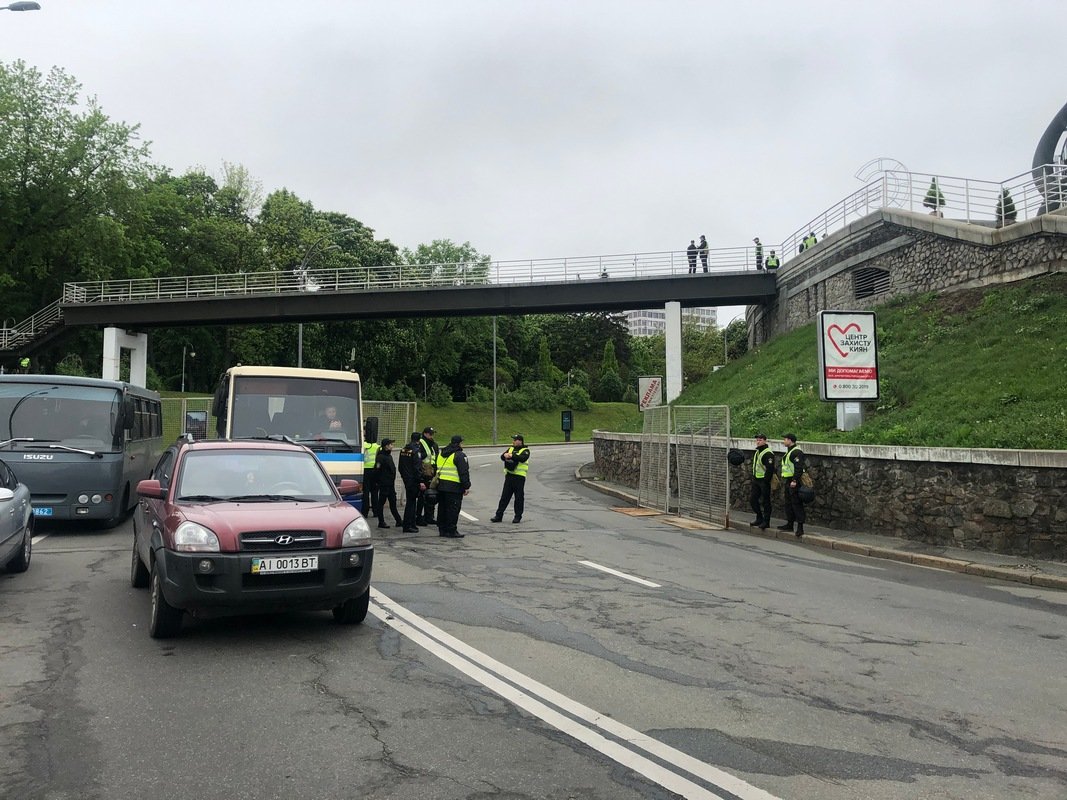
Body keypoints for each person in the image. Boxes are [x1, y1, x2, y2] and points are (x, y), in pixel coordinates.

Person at [435, 434, 471, 539]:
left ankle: (442, 529)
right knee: (453, 509)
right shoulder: (460, 455)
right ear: (459, 443)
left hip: (441, 485)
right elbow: (463, 472)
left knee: (442, 508)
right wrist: (466, 486)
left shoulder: (442, 453)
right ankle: (451, 530)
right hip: (454, 487)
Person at [490, 433, 530, 524]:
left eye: (515, 440)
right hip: (509, 476)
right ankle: (498, 515)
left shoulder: (525, 450)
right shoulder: (510, 448)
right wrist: (505, 456)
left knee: (518, 497)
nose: (513, 441)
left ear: (520, 441)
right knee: (505, 497)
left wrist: (512, 456)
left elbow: (523, 458)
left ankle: (517, 516)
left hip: (519, 477)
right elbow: (502, 456)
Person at [777, 433, 806, 538]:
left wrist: (794, 480)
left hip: (794, 481)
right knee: (788, 503)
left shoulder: (796, 452)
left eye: (785, 439)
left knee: (796, 503)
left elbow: (799, 468)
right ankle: (790, 524)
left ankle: (800, 527)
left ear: (790, 440)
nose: (784, 441)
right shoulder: (789, 452)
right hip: (788, 480)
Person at [398, 432, 426, 533]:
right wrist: (421, 481)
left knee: (410, 502)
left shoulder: (404, 449)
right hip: (413, 480)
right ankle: (408, 525)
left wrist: (404, 477)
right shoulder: (416, 451)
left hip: (406, 479)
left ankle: (410, 524)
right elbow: (417, 468)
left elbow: (400, 467)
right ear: (419, 440)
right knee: (411, 503)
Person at [373, 438, 403, 529]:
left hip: (390, 484)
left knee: (393, 502)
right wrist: (378, 482)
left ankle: (398, 520)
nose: (392, 446)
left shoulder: (388, 456)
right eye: (390, 445)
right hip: (384, 484)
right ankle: (381, 522)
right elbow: (377, 470)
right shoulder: (381, 457)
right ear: (386, 446)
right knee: (381, 503)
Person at [749, 433, 775, 530]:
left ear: (765, 441)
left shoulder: (767, 453)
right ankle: (759, 517)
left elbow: (770, 469)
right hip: (756, 479)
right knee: (753, 499)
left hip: (764, 481)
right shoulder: (758, 452)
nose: (758, 442)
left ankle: (766, 521)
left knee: (766, 501)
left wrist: (766, 481)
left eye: (760, 440)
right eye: (757, 440)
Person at [415, 426, 439, 526]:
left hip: (432, 471)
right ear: (425, 433)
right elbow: (419, 457)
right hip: (424, 472)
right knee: (422, 496)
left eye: (432, 434)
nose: (431, 435)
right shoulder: (421, 443)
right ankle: (419, 517)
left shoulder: (433, 444)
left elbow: (436, 456)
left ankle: (429, 516)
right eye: (430, 434)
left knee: (431, 495)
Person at [362, 427, 380, 517]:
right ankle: (376, 512)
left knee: (365, 492)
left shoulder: (363, 445)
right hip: (375, 471)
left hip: (365, 469)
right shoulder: (378, 446)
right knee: (375, 492)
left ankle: (364, 512)